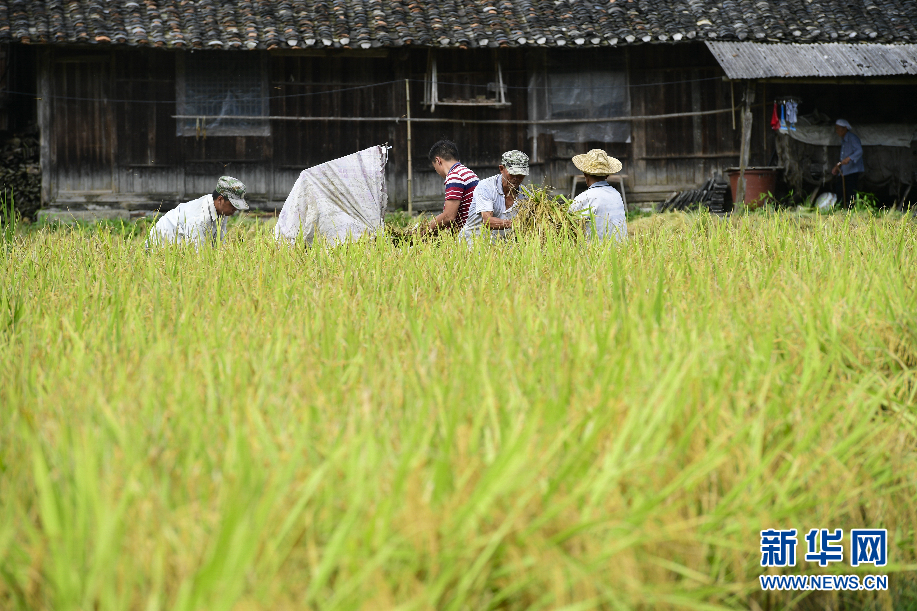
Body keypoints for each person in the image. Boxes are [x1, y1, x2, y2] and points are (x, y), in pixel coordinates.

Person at [147, 176, 248, 248]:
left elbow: (220, 241)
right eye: (233, 205)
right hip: (158, 247)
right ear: (220, 199)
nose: (235, 209)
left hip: (178, 246)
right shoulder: (199, 217)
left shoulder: (221, 210)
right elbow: (197, 254)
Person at [462, 150, 529, 243]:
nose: (516, 178)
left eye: (521, 174)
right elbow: (488, 221)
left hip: (502, 247)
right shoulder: (486, 187)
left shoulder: (527, 196)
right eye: (513, 173)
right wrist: (515, 224)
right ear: (502, 169)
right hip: (473, 243)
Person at [569, 149, 627, 242]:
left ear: (585, 174)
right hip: (620, 251)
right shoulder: (616, 195)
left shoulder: (584, 198)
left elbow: (568, 224)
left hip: (597, 252)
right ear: (607, 175)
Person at [426, 140, 479, 234]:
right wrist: (429, 224)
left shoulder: (455, 176)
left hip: (468, 236)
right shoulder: (468, 172)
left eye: (435, 167)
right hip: (476, 231)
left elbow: (448, 217)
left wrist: (420, 234)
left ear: (438, 161)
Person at [831, 119, 864, 204]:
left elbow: (859, 151)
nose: (837, 131)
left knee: (851, 191)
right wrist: (837, 166)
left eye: (838, 129)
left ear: (845, 129)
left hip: (852, 170)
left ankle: (851, 210)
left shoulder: (852, 138)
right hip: (845, 170)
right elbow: (843, 157)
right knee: (840, 189)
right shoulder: (843, 140)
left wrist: (849, 158)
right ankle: (842, 209)